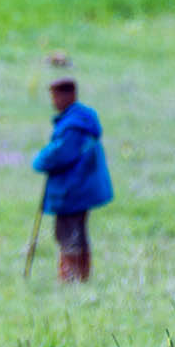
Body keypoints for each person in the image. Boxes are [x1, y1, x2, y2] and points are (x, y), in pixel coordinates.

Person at [31, 78, 113, 283]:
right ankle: (82, 277)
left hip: (72, 191)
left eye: (56, 96)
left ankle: (70, 280)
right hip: (82, 189)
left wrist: (40, 159)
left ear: (70, 95)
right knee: (78, 234)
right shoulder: (81, 119)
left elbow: (60, 154)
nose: (54, 102)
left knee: (67, 235)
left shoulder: (73, 126)